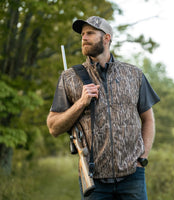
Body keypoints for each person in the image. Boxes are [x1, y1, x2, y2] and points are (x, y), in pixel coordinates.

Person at [46, 16, 160, 200]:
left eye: (90, 33)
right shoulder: (69, 78)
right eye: (82, 34)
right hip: (94, 180)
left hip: (133, 176)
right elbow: (53, 127)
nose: (84, 37)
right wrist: (81, 103)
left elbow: (148, 118)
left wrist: (143, 158)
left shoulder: (134, 74)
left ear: (106, 38)